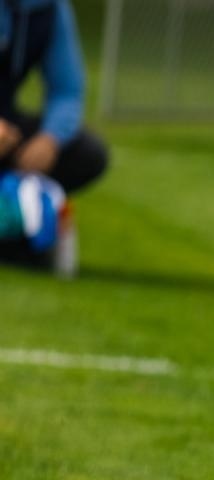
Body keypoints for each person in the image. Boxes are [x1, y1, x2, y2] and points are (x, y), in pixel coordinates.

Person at [0, 0, 108, 277]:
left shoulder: (49, 8)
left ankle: (18, 233)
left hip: (7, 127)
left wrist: (50, 138)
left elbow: (68, 89)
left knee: (87, 154)